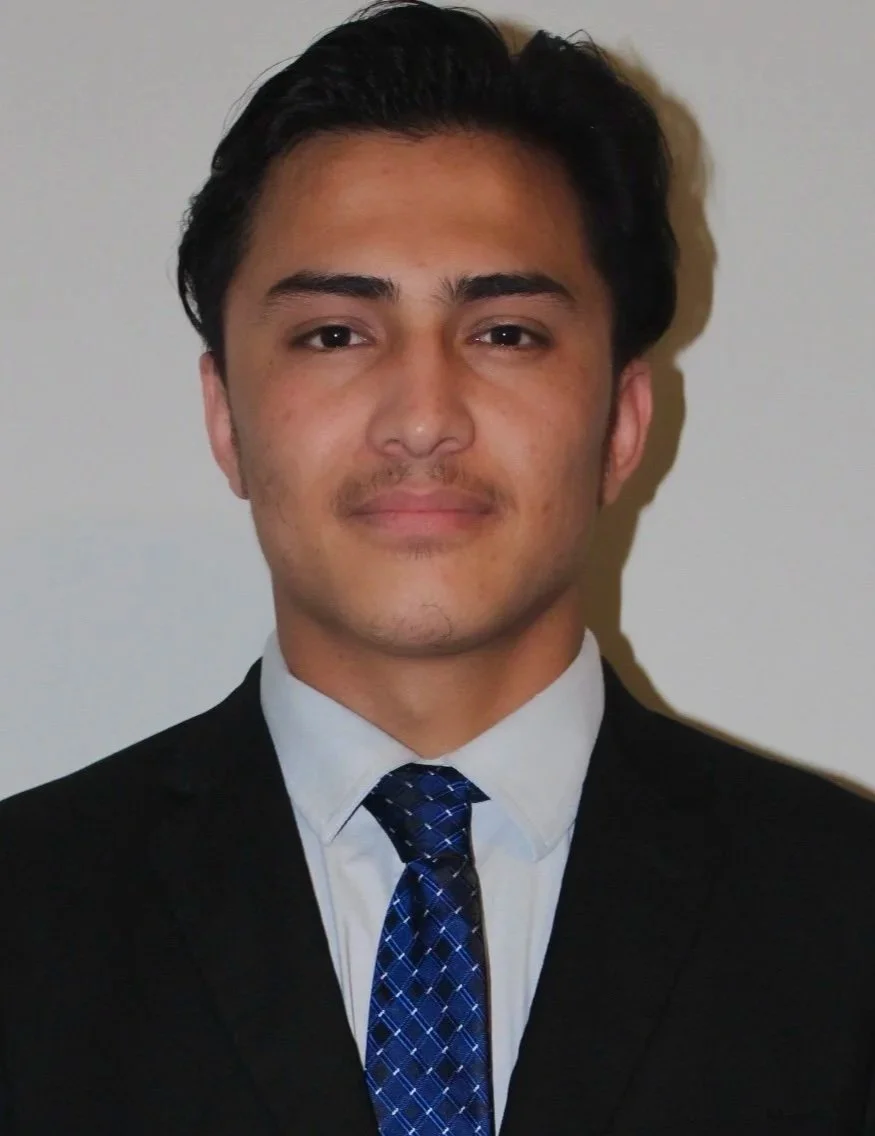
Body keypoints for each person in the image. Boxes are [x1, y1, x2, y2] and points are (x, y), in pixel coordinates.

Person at [1, 1, 874, 1132]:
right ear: (225, 416)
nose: (421, 418)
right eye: (334, 333)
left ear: (620, 418)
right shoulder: (26, 921)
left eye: (504, 332)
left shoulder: (842, 917)